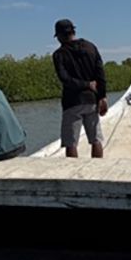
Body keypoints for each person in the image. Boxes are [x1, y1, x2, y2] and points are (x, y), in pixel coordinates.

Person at [52, 19, 108, 158]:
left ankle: (73, 176)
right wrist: (102, 96)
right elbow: (100, 74)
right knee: (96, 140)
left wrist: (85, 85)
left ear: (59, 36)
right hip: (91, 100)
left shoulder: (59, 54)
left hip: (72, 102)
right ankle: (98, 169)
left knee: (71, 143)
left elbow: (65, 79)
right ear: (73, 31)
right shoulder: (91, 47)